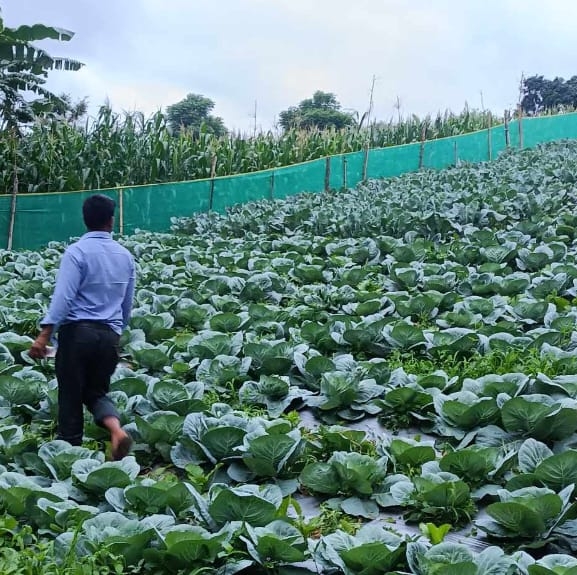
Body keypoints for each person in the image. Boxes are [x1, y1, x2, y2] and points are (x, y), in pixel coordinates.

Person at [29, 194, 135, 460]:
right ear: (111, 221)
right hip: (109, 335)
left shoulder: (77, 252)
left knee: (71, 394)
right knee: (96, 391)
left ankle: (70, 453)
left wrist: (45, 335)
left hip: (78, 333)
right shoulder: (125, 256)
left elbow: (63, 298)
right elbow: (127, 302)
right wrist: (117, 334)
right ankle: (116, 430)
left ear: (85, 220)